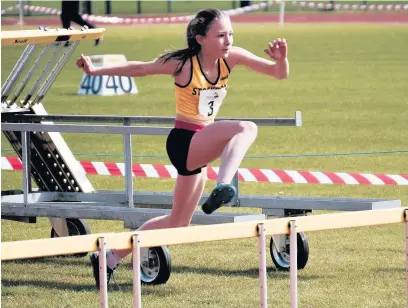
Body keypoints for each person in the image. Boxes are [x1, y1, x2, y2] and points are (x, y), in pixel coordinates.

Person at [76, 8, 288, 290]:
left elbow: (278, 74)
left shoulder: (232, 58)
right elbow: (140, 68)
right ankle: (223, 185)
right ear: (200, 38)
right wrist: (94, 70)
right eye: (221, 35)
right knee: (246, 128)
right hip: (184, 141)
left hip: (201, 144)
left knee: (177, 223)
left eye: (230, 34)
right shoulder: (183, 64)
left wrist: (282, 59)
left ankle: (109, 256)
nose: (228, 41)